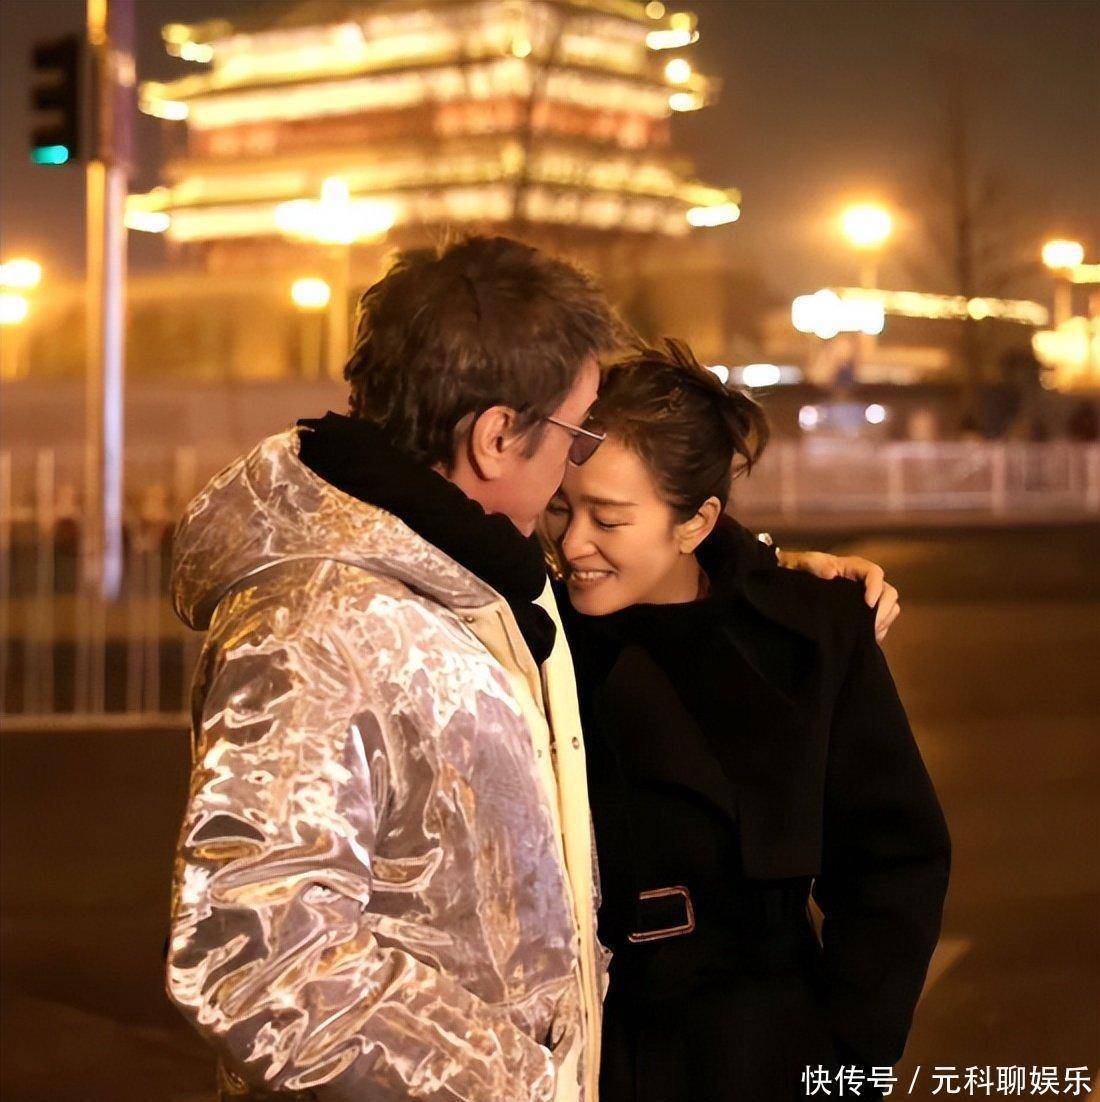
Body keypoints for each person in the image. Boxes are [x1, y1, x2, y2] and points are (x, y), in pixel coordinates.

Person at [166, 236, 899, 1102]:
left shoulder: (471, 573)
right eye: (576, 431)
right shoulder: (319, 628)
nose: (577, 459)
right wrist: (523, 1081)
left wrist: (763, 578)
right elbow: (255, 965)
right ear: (497, 436)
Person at [543, 339, 951, 1102]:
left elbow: (893, 861)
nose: (573, 543)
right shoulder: (531, 635)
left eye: (610, 519)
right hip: (580, 1042)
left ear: (696, 522)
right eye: (561, 507)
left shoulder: (809, 631)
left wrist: (848, 1058)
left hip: (762, 1048)